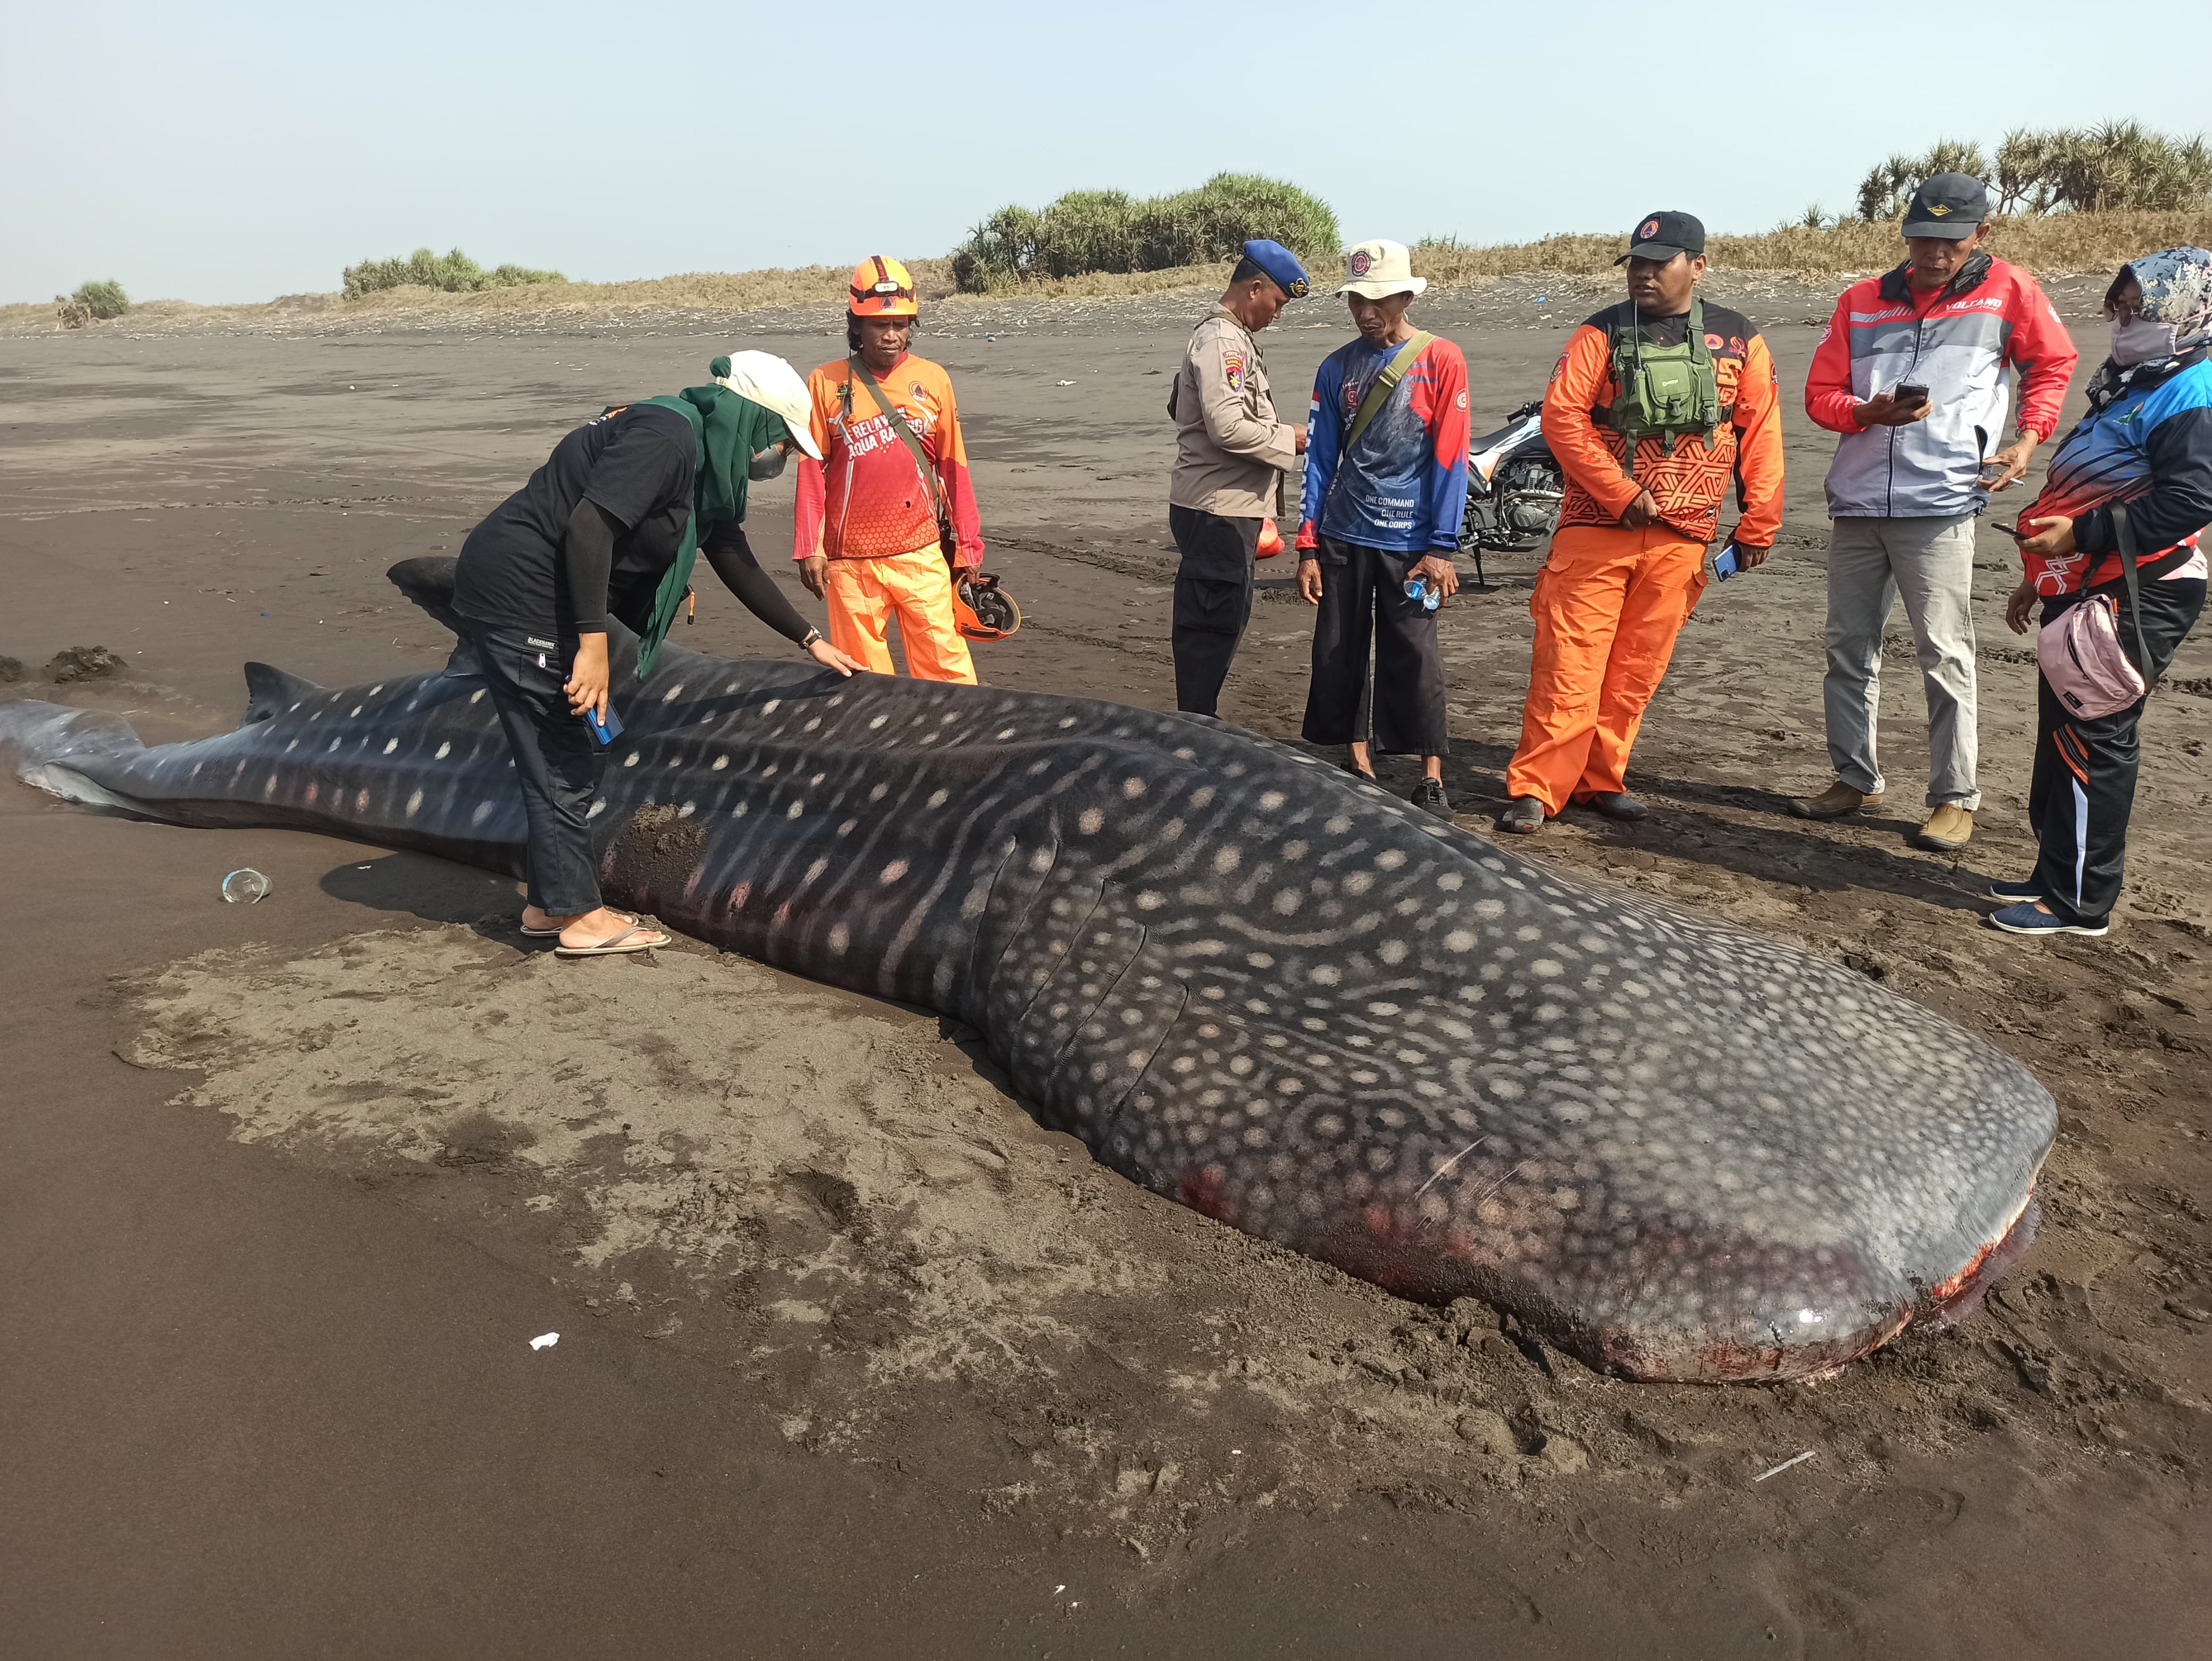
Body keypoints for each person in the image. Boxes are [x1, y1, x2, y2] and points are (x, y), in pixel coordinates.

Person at [453, 357, 866, 957]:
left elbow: (733, 557)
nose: (779, 459)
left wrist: (809, 639)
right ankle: (580, 918)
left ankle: (550, 904)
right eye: (779, 442)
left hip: (547, 600)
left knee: (574, 749)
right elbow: (590, 528)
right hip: (523, 598)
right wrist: (592, 647)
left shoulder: (702, 466)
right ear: (749, 419)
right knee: (561, 757)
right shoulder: (667, 436)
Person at [1792, 172, 2077, 852]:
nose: (1932, 253)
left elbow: (2052, 363)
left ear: (1979, 235)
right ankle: (1852, 777)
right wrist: (1866, 413)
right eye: (1920, 237)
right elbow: (1818, 396)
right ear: (1905, 234)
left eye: (1948, 240)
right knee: (1846, 647)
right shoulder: (1859, 303)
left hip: (1943, 500)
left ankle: (1954, 796)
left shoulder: (2009, 290)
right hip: (1858, 502)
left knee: (1943, 652)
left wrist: (2027, 439)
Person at [1496, 211, 1783, 834]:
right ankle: (1539, 788)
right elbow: (1561, 418)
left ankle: (1601, 778)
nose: (1643, 274)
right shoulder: (1597, 332)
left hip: (1684, 537)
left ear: (1697, 267)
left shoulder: (1740, 339)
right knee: (1568, 661)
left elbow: (1758, 432)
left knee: (1634, 670)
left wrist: (1758, 522)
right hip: (1594, 529)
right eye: (1636, 263)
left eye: (1658, 262)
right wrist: (1619, 491)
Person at [1989, 247, 2212, 937]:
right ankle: (2055, 868)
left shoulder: (2193, 391)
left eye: (2142, 312)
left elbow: (2192, 500)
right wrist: (2043, 574)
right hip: (2082, 581)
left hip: (2137, 587)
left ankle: (2079, 899)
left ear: (2187, 314)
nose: (2125, 323)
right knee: (2061, 735)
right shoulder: (2134, 380)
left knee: (2095, 736)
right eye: (2120, 310)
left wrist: (2080, 535)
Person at [1293, 239, 1469, 814]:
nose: (1365, 312)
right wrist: (1307, 545)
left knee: (1415, 655)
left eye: (1376, 300)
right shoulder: (1335, 367)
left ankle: (1429, 773)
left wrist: (1441, 547)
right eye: (1354, 301)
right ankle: (1358, 759)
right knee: (1341, 650)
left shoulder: (1441, 359)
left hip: (1413, 544)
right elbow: (1319, 460)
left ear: (1402, 295)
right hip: (1344, 534)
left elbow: (1450, 456)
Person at [794, 256, 984, 684]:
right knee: (864, 682)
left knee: (948, 674)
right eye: (880, 325)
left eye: (901, 323)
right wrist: (810, 546)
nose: (892, 334)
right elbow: (811, 471)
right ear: (856, 325)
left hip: (920, 553)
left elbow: (954, 468)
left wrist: (970, 545)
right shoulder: (825, 383)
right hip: (849, 564)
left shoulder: (934, 380)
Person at [1168, 238, 1310, 715]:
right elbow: (1226, 425)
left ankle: (1198, 719)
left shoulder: (1232, 338)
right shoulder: (1223, 340)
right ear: (1255, 288)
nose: (1278, 314)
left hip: (1225, 506)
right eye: (1278, 302)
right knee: (1209, 625)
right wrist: (1287, 438)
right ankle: (1195, 725)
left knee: (1223, 619)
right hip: (1215, 508)